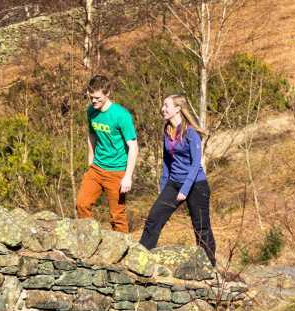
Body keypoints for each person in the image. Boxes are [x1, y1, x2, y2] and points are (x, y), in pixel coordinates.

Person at [139, 94, 216, 266]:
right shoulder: (167, 131)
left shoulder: (190, 133)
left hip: (196, 185)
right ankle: (141, 259)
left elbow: (196, 164)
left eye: (166, 105)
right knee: (154, 217)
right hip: (174, 182)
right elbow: (167, 161)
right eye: (163, 105)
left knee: (201, 227)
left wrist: (185, 189)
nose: (162, 109)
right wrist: (163, 185)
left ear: (178, 109)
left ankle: (209, 267)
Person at [76, 75, 138, 231]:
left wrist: (127, 177)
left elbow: (133, 147)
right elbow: (91, 135)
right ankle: (91, 240)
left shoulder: (121, 115)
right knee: (81, 204)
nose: (94, 101)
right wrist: (90, 160)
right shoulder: (91, 111)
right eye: (91, 97)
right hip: (97, 168)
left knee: (117, 216)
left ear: (107, 93)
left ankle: (124, 252)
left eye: (97, 98)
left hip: (117, 171)